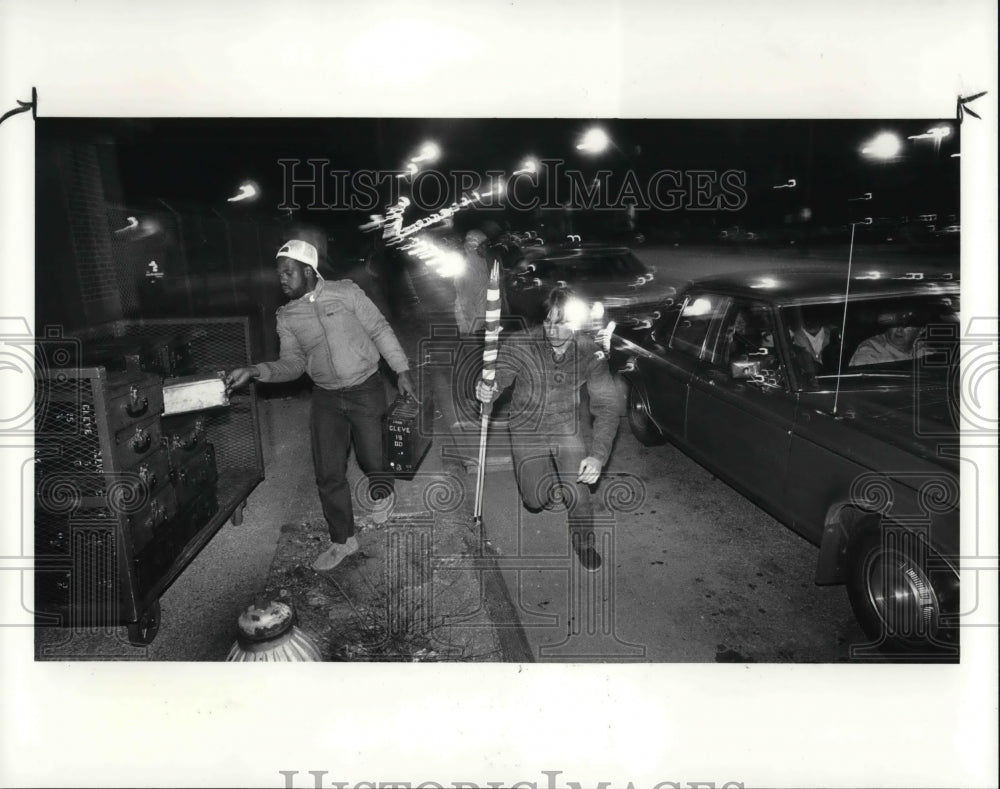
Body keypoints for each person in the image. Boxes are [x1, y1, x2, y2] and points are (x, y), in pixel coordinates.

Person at [227, 239, 417, 571]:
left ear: (308, 270)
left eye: (287, 272)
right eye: (279, 274)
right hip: (327, 397)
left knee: (373, 458)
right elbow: (293, 365)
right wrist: (257, 370)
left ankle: (382, 490)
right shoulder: (287, 316)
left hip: (366, 387)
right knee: (328, 471)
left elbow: (379, 329)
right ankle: (342, 540)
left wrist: (401, 370)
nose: (281, 279)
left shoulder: (346, 292)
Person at [475, 286, 620, 572]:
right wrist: (486, 390)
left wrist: (598, 455)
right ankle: (544, 479)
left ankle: (584, 542)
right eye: (548, 322)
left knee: (578, 493)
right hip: (526, 427)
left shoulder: (590, 353)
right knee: (535, 499)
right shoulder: (520, 344)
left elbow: (607, 407)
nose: (552, 330)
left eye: (561, 322)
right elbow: (499, 379)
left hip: (564, 426)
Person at [849, 315, 926, 367]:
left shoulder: (922, 347)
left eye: (906, 326)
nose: (899, 330)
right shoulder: (869, 349)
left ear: (921, 330)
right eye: (895, 324)